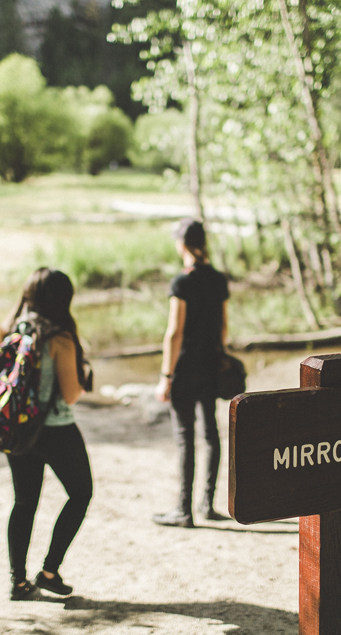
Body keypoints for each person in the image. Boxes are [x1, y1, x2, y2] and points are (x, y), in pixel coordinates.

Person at [0, 268, 93, 600]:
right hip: (55, 430)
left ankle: (18, 581)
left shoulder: (10, 328)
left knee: (23, 502)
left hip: (17, 430)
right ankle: (49, 571)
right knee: (81, 494)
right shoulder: (59, 338)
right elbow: (70, 395)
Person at [153, 218, 230, 528]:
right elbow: (223, 327)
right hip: (211, 365)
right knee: (211, 434)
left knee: (186, 437)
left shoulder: (181, 282)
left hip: (185, 368)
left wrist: (166, 376)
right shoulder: (218, 279)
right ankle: (207, 505)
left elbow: (174, 332)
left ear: (182, 244)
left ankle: (184, 510)